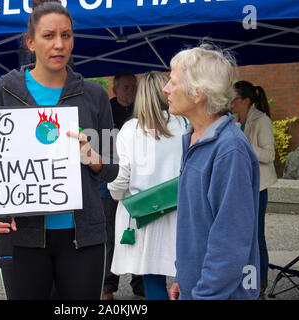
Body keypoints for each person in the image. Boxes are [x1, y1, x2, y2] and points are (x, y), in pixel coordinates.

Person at [0, 1, 118, 300]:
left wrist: (93, 158)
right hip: (23, 234)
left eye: (66, 35)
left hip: (82, 236)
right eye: (48, 36)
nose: (59, 44)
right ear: (30, 42)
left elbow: (112, 169)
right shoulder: (4, 91)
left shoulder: (95, 95)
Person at [163, 43, 261, 300]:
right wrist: (183, 278)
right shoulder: (194, 139)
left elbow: (230, 239)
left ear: (198, 94)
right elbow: (196, 224)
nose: (166, 89)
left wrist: (203, 294)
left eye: (172, 82)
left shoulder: (229, 149)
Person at [107, 71, 185, 300]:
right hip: (181, 211)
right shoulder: (186, 124)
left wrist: (116, 194)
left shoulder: (131, 129)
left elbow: (121, 178)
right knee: (187, 278)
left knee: (153, 282)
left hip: (144, 215)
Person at [99, 71, 145, 300]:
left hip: (139, 181)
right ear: (115, 89)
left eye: (133, 87)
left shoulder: (143, 111)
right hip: (110, 181)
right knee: (110, 235)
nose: (131, 91)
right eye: (126, 87)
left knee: (138, 231)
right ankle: (108, 284)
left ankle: (140, 282)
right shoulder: (105, 111)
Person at [232, 80, 278, 299]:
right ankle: (243, 279)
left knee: (256, 234)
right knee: (240, 235)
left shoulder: (262, 120)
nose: (230, 102)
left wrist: (245, 144)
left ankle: (260, 282)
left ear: (246, 101)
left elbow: (270, 156)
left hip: (258, 186)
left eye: (234, 98)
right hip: (239, 185)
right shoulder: (232, 121)